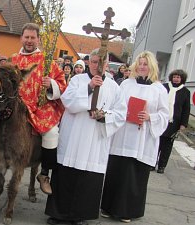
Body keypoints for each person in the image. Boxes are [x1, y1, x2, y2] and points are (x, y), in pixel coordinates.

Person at [45, 49, 127, 225]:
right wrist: (89, 87)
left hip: (94, 141)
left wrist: (104, 116)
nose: (98, 66)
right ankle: (59, 214)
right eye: (95, 62)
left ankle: (80, 215)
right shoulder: (77, 80)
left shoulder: (114, 87)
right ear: (89, 62)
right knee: (66, 175)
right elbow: (68, 102)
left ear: (107, 65)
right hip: (74, 136)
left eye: (102, 63)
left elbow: (121, 114)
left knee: (88, 179)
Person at [101, 51, 169, 223]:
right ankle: (108, 207)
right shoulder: (125, 84)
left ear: (152, 66)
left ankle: (127, 211)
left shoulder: (159, 89)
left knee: (133, 176)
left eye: (145, 64)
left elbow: (165, 115)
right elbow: (116, 105)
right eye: (139, 63)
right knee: (117, 171)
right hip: (122, 135)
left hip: (143, 138)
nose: (141, 67)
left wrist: (149, 117)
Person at [11, 23, 66, 195]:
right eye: (26, 37)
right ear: (21, 38)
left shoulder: (47, 61)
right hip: (16, 107)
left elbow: (63, 85)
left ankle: (44, 174)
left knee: (52, 134)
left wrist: (52, 85)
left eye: (32, 37)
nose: (29, 41)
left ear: (38, 39)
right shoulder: (13, 60)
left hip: (41, 108)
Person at [156, 69, 190, 174]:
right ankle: (152, 163)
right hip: (161, 119)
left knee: (167, 146)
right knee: (157, 143)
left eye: (178, 77)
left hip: (173, 123)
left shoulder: (185, 92)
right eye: (174, 77)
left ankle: (162, 166)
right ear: (171, 77)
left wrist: (183, 124)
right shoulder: (164, 87)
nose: (176, 79)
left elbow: (186, 109)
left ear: (182, 79)